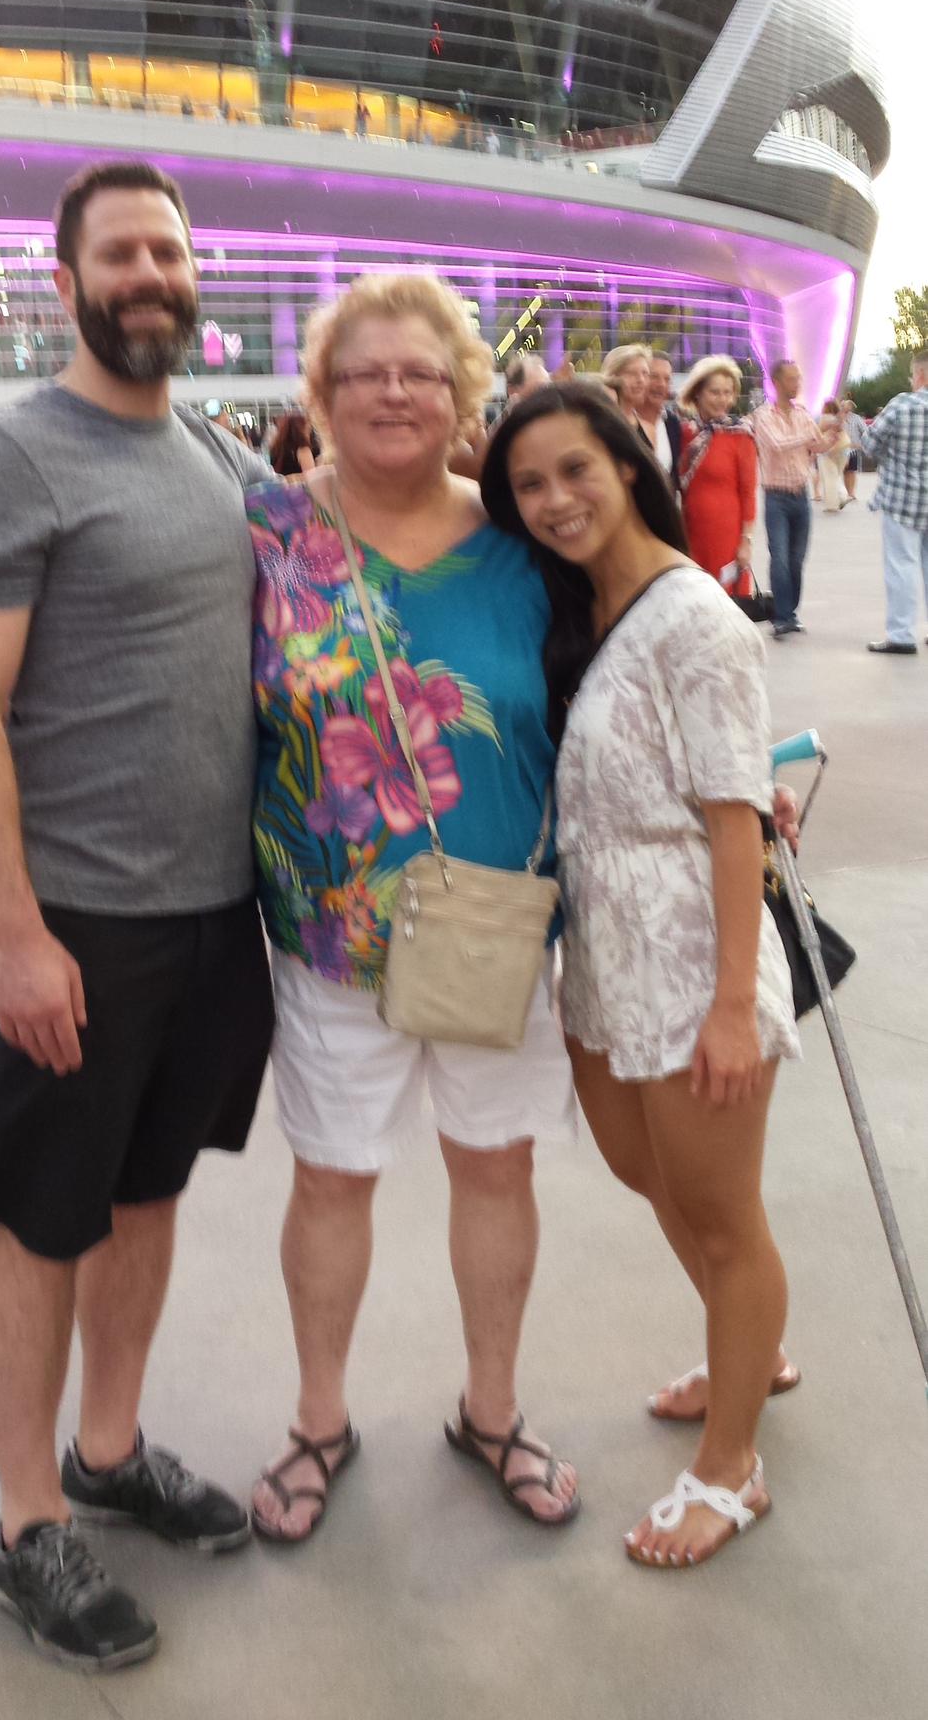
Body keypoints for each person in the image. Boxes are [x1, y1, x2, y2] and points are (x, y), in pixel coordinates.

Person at [0, 160, 275, 1673]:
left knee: (143, 1202)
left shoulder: (209, 446)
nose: (151, 275)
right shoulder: (14, 458)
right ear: (64, 282)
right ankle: (23, 1523)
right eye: (121, 253)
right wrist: (15, 936)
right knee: (38, 1224)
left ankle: (110, 1451)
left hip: (207, 920)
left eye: (171, 254)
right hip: (71, 927)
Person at [246, 272, 580, 1544]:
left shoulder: (530, 538)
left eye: (422, 373)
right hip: (330, 938)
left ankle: (490, 1408)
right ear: (319, 398)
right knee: (331, 1179)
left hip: (497, 927)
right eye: (363, 371)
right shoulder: (267, 533)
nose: (394, 390)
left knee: (495, 1167)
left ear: (462, 397)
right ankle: (317, 1417)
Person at [481, 385, 801, 1569]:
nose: (554, 499)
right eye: (528, 484)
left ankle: (731, 1467)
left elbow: (733, 825)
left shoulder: (692, 616)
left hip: (686, 956)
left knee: (719, 1214)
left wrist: (728, 1005)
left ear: (627, 461)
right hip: (600, 952)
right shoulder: (582, 605)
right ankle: (748, 1348)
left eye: (575, 469)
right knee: (646, 1171)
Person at [751, 361, 827, 639]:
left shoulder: (803, 414)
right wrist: (807, 436)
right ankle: (781, 616)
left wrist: (833, 433)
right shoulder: (763, 416)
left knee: (796, 559)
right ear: (778, 382)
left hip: (800, 495)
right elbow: (777, 444)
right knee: (780, 557)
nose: (798, 384)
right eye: (793, 379)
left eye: (799, 378)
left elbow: (816, 445)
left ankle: (791, 612)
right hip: (776, 497)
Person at [677, 357, 758, 597]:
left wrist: (746, 541)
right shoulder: (683, 432)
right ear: (697, 393)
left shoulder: (740, 434)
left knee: (726, 604)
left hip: (727, 536)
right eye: (715, 392)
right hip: (688, 532)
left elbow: (748, 492)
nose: (723, 399)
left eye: (728, 392)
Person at [865, 348, 928, 655]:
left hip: (902, 499)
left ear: (920, 375)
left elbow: (870, 444)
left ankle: (902, 635)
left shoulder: (902, 405)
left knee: (901, 565)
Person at [633, 352, 683, 495]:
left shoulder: (672, 424)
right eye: (654, 376)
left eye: (667, 379)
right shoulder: (623, 421)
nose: (661, 384)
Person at [600, 344, 651, 421]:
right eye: (632, 373)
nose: (641, 380)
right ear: (613, 376)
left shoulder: (648, 430)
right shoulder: (595, 424)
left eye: (645, 373)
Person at [817, 401, 850, 513]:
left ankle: (834, 502)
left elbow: (819, 430)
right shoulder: (839, 418)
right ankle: (843, 494)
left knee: (829, 476)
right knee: (837, 474)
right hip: (843, 448)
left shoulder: (825, 418)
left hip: (828, 449)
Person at [268, 409, 319, 477]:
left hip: (282, 486)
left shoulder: (276, 448)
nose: (309, 431)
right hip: (300, 487)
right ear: (300, 429)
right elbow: (311, 477)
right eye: (307, 427)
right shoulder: (303, 450)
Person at [840, 395, 868, 502]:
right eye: (844, 405)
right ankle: (843, 492)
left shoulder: (856, 418)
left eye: (848, 405)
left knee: (851, 471)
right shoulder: (836, 418)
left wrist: (861, 444)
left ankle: (851, 492)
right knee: (841, 472)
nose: (847, 407)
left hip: (852, 449)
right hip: (839, 449)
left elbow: (866, 431)